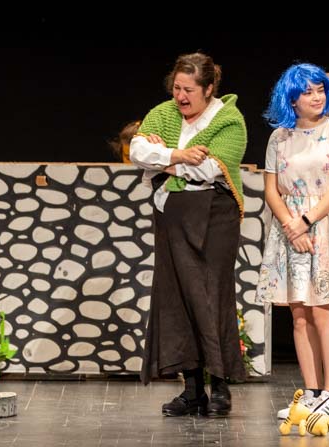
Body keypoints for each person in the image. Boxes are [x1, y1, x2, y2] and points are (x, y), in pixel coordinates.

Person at [129, 51, 247, 418]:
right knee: (177, 298)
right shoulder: (164, 113)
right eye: (177, 88)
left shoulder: (229, 119)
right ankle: (193, 389)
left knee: (212, 297)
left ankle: (221, 386)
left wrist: (162, 159)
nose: (181, 96)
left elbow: (210, 169)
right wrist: (178, 156)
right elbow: (137, 151)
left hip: (215, 217)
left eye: (189, 90)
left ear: (209, 88)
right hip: (173, 217)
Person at [255, 63, 329, 421]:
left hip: (327, 224)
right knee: (299, 315)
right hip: (290, 227)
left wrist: (305, 222)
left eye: (320, 90)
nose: (316, 97)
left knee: (323, 312)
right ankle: (312, 393)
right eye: (307, 92)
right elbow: (271, 190)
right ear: (291, 99)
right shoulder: (279, 137)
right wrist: (292, 226)